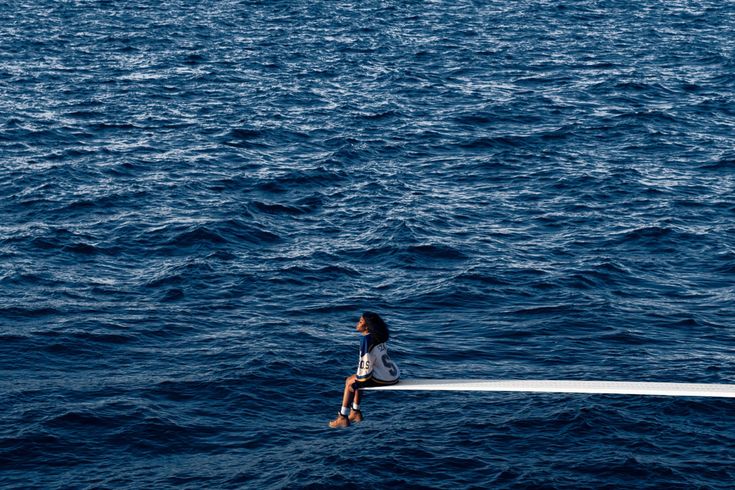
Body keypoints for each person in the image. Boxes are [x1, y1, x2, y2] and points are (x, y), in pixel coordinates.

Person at [329, 311, 400, 428]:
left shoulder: (366, 340)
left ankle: (342, 417)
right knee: (355, 378)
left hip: (384, 379)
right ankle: (355, 411)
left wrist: (357, 383)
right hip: (393, 375)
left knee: (349, 382)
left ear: (366, 326)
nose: (357, 324)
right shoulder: (378, 336)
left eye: (360, 322)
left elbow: (365, 365)